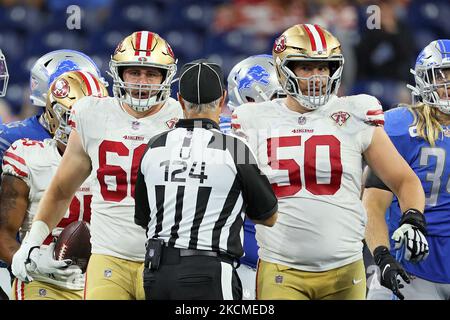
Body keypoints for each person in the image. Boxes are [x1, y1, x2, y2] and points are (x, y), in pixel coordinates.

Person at [231, 23, 425, 300]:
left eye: (323, 67)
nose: (317, 76)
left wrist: (413, 218)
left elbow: (403, 179)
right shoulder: (252, 119)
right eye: (306, 67)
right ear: (284, 69)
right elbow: (232, 185)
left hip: (345, 268)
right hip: (281, 267)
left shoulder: (356, 112)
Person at [10, 31, 182, 300]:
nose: (142, 82)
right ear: (119, 74)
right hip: (109, 258)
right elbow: (61, 189)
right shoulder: (93, 114)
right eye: (133, 72)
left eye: (151, 73)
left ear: (166, 77)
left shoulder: (181, 117)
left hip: (168, 256)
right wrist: (31, 243)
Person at [134, 59, 278, 300]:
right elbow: (269, 216)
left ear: (179, 100)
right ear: (223, 100)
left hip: (156, 272)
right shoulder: (234, 147)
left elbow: (143, 218)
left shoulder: (154, 145)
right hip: (207, 270)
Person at [0, 49, 104, 300]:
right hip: (33, 267)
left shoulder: (113, 147)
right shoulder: (19, 145)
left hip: (101, 271)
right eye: (72, 113)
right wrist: (27, 257)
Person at [364, 39, 450, 300]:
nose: (448, 85)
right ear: (424, 80)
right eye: (442, 76)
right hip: (412, 266)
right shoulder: (400, 127)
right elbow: (373, 204)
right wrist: (382, 257)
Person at [220, 54, 285, 300]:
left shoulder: (302, 130)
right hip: (245, 263)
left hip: (288, 259)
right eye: (282, 96)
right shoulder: (228, 136)